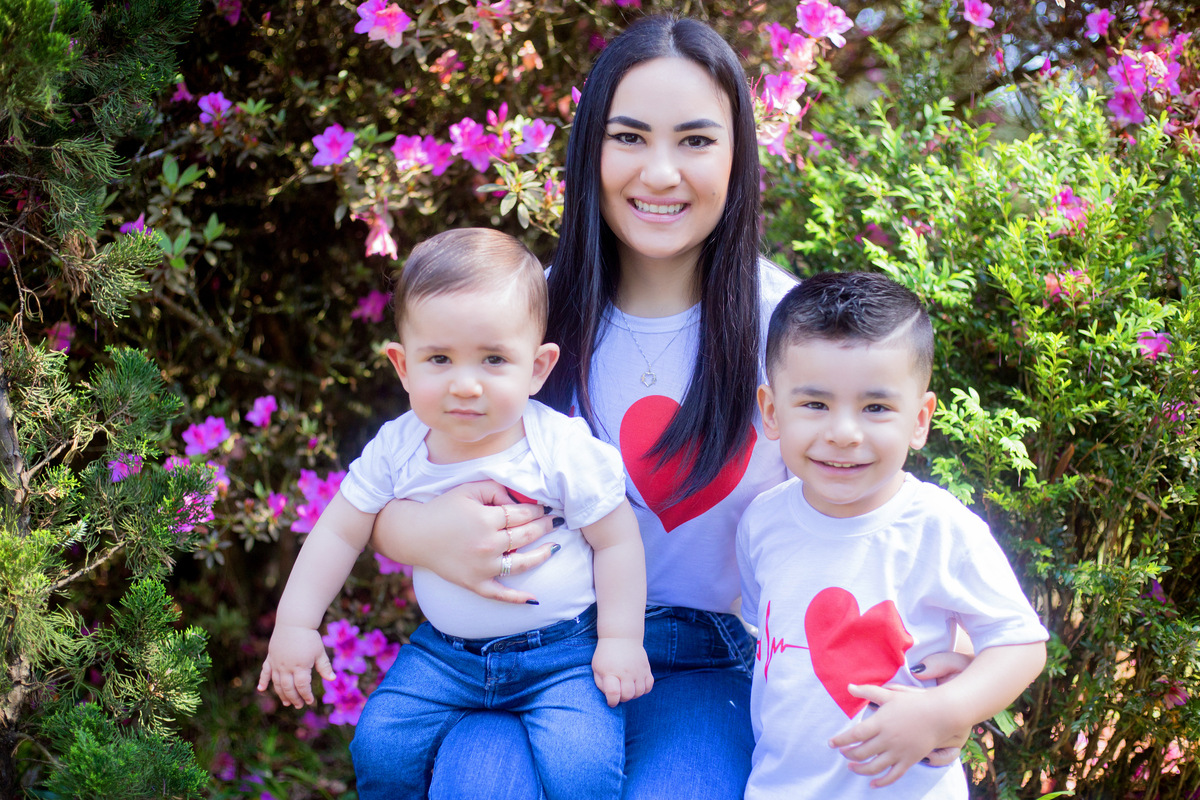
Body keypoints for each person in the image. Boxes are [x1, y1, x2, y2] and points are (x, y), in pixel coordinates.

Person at [360, 16, 969, 800]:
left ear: (737, 154)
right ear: (592, 151)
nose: (659, 173)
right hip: (524, 656)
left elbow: (866, 501)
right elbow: (394, 470)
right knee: (480, 783)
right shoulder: (522, 317)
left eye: (695, 140)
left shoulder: (783, 327)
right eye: (630, 137)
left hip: (701, 660)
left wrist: (939, 658)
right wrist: (414, 530)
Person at [259, 228, 652, 799]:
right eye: (439, 358)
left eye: (494, 359)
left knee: (582, 770)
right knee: (380, 746)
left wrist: (619, 639)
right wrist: (295, 625)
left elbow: (617, 541)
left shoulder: (558, 448)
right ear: (402, 365)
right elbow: (340, 529)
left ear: (538, 368)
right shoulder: (400, 447)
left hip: (562, 657)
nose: (465, 385)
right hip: (446, 658)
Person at [738, 271, 1049, 798]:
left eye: (876, 407)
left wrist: (943, 711)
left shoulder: (937, 526)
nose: (843, 432)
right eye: (815, 404)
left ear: (920, 419)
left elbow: (1019, 643)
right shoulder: (762, 522)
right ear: (772, 411)